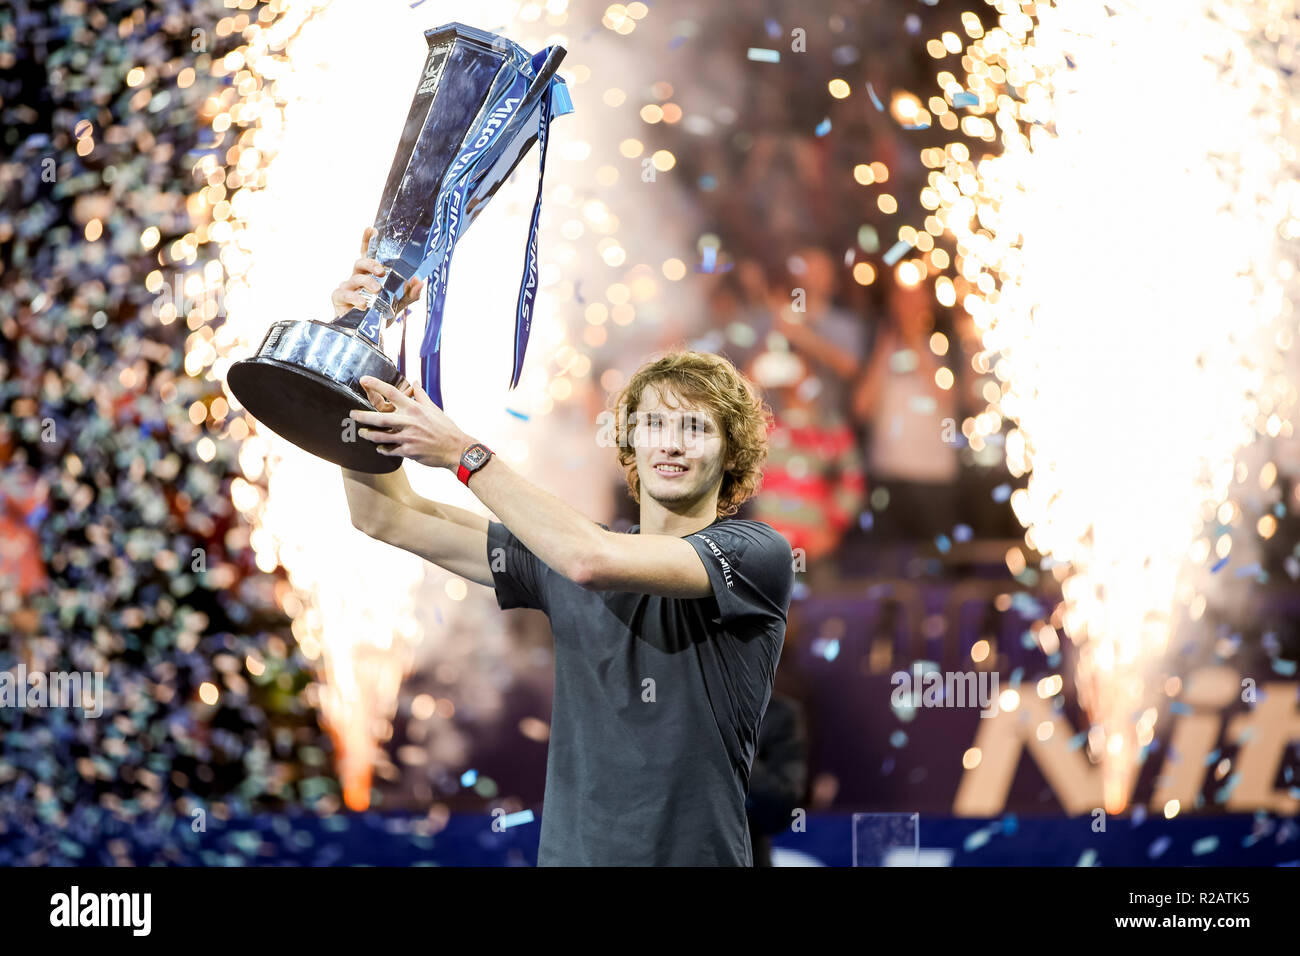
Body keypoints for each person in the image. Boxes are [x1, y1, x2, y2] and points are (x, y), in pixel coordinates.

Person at [334, 229, 795, 866]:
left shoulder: (755, 554)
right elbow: (387, 516)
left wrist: (462, 455)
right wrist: (358, 351)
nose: (671, 443)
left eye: (696, 428)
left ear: (733, 455)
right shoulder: (565, 549)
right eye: (655, 424)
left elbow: (591, 562)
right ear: (629, 446)